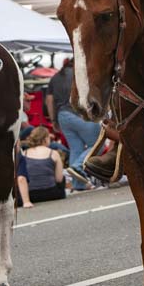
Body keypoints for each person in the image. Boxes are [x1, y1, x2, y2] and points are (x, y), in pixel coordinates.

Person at [45, 59, 100, 190]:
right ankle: (78, 166)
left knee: (76, 149)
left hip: (63, 117)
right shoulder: (80, 73)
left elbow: (49, 100)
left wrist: (53, 120)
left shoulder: (55, 77)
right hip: (80, 114)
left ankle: (77, 184)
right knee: (98, 143)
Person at [16, 127, 65, 207]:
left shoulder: (24, 154)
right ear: (45, 139)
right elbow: (59, 178)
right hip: (51, 193)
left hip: (30, 194)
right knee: (63, 179)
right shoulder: (53, 153)